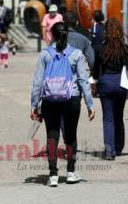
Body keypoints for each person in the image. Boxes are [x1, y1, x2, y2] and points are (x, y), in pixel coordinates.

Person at [31, 22, 95, 187]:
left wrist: (34, 103)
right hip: (71, 98)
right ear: (67, 35)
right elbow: (83, 80)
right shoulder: (76, 54)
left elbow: (38, 81)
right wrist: (90, 104)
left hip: (49, 100)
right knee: (71, 135)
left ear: (51, 35)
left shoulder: (45, 54)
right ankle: (71, 172)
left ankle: (53, 175)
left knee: (52, 136)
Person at [91, 18, 128, 160]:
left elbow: (95, 71)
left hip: (105, 83)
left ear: (106, 31)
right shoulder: (125, 49)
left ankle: (109, 151)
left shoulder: (100, 48)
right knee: (119, 116)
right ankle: (118, 148)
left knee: (108, 118)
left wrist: (94, 84)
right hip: (121, 84)